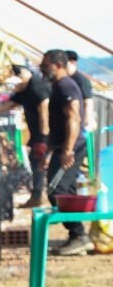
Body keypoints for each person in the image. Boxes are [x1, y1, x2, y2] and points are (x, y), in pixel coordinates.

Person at [41, 49, 90, 256]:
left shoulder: (65, 86)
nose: (42, 69)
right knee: (66, 191)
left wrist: (68, 149)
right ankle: (77, 236)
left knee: (56, 189)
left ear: (58, 65)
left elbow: (74, 118)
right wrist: (51, 149)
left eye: (46, 65)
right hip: (63, 147)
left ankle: (79, 235)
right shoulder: (58, 87)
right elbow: (58, 123)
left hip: (72, 148)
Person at [0, 65, 50, 207]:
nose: (12, 88)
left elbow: (45, 111)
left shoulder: (36, 87)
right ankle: (37, 195)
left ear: (21, 76)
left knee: (40, 163)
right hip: (37, 133)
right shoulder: (24, 89)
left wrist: (43, 139)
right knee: (35, 161)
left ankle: (42, 197)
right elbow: (7, 105)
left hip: (46, 133)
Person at [64, 50, 96, 136]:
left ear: (72, 62)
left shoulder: (81, 80)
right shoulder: (66, 79)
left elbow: (88, 102)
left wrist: (85, 123)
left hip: (80, 122)